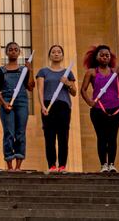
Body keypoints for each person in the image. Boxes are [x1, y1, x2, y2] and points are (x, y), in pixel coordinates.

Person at [81, 44, 119, 173]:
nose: (104, 57)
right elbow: (83, 90)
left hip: (115, 109)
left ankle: (112, 164)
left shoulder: (115, 71)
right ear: (96, 57)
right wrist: (89, 101)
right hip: (98, 110)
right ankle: (103, 164)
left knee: (112, 137)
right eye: (101, 55)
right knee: (101, 137)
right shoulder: (91, 72)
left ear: (110, 57)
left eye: (107, 55)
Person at [0, 41, 34, 171]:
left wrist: (31, 70)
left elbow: (31, 87)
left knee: (20, 133)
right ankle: (9, 165)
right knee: (9, 133)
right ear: (7, 52)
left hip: (22, 102)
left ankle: (18, 166)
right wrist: (4, 103)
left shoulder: (24, 70)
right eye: (11, 49)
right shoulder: (1, 70)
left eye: (16, 49)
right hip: (7, 102)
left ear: (19, 52)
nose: (13, 51)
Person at [36, 44, 76, 173]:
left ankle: (62, 165)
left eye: (59, 52)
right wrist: (42, 106)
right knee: (50, 136)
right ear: (50, 55)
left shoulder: (67, 72)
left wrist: (68, 83)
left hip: (63, 106)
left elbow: (74, 92)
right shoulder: (43, 71)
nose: (56, 54)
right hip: (48, 105)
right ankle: (52, 165)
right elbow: (40, 90)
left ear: (62, 55)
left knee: (63, 136)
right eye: (53, 52)